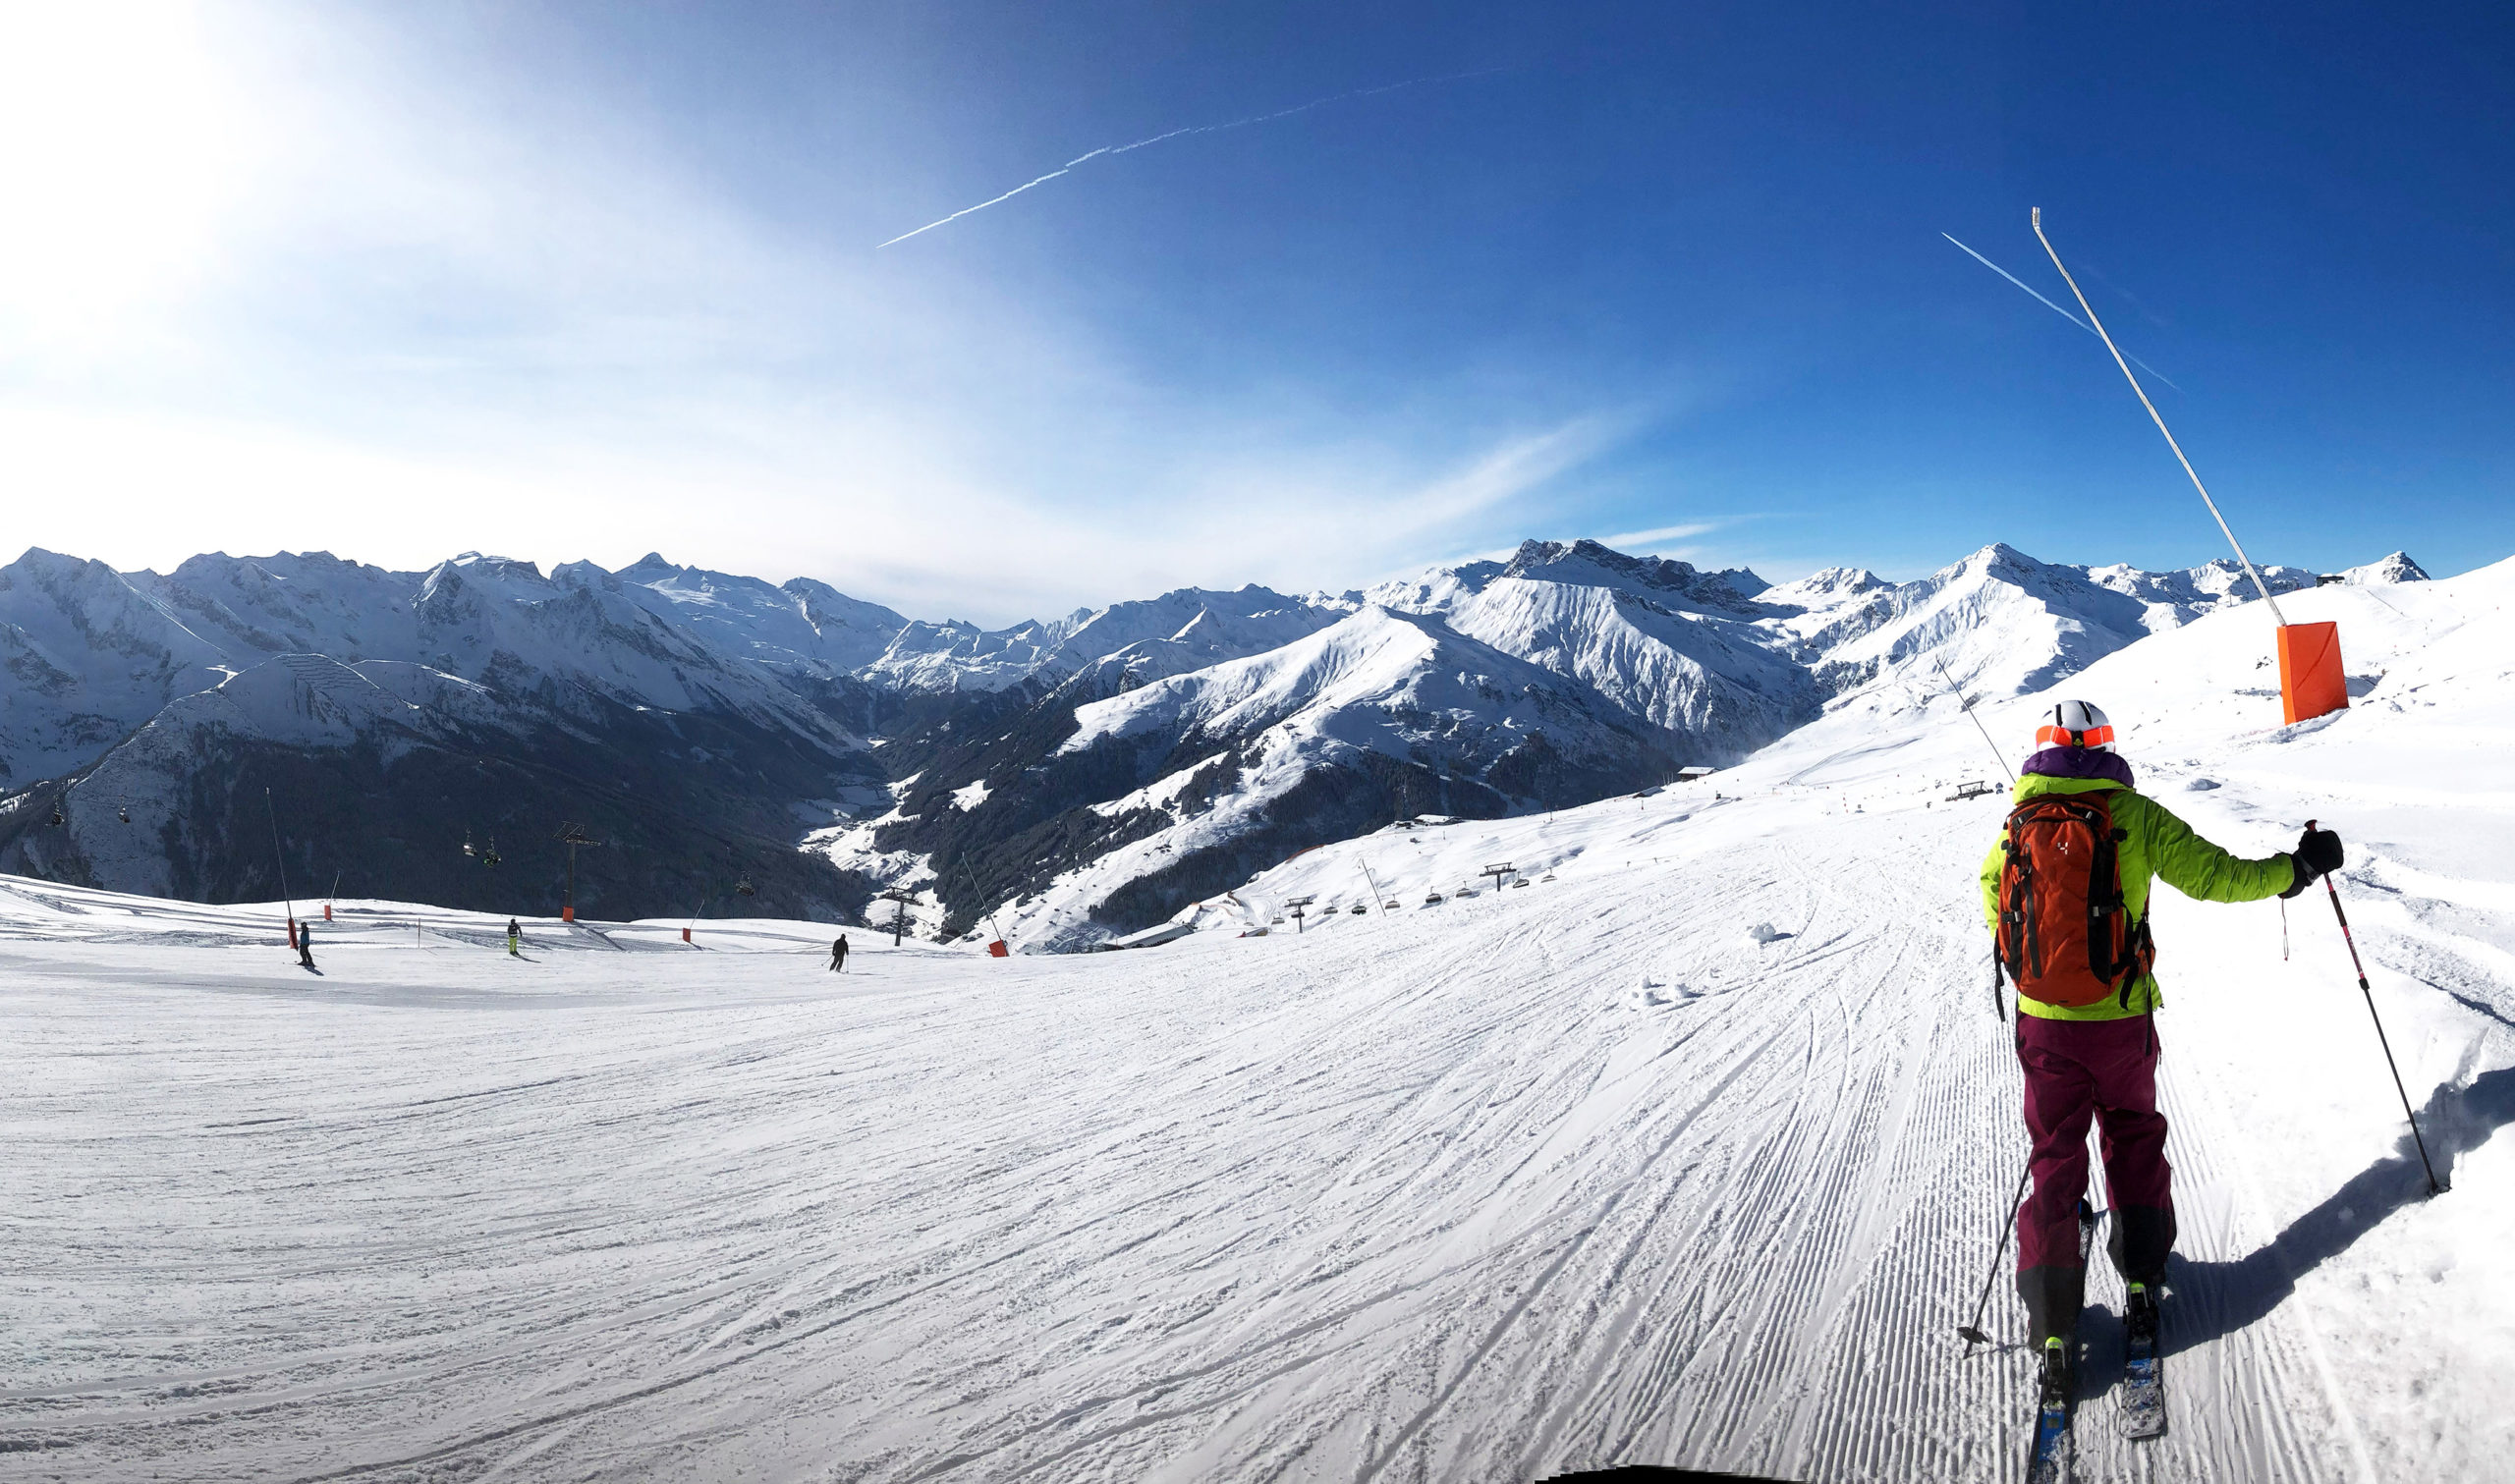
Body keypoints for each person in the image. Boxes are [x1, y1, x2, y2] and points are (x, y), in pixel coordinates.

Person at [1980, 699, 2341, 1394]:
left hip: (2043, 1023)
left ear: (2046, 748)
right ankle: (2143, 1280)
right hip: (2120, 1021)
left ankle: (2054, 1322)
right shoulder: (2134, 815)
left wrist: (2023, 952)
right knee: (2133, 1136)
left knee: (2055, 1150)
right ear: (2107, 745)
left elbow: (1992, 888)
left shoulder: (2018, 821)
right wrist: (2294, 872)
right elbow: (2218, 875)